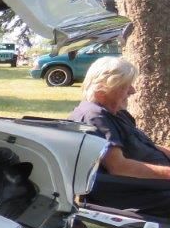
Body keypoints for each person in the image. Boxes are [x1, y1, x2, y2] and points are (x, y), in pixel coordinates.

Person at [69, 56, 170, 219]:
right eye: (125, 86)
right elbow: (119, 167)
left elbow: (147, 146)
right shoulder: (94, 118)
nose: (133, 90)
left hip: (152, 185)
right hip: (134, 192)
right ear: (102, 91)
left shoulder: (116, 113)